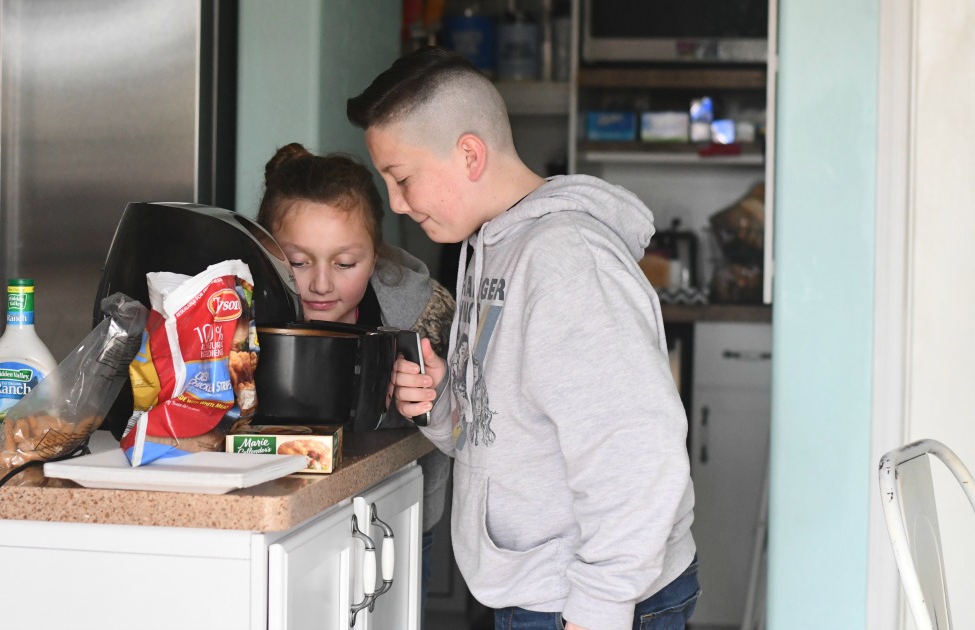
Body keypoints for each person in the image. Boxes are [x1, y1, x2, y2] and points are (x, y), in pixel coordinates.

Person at [346, 47, 699, 630]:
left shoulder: (566, 260)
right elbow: (499, 426)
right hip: (543, 591)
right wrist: (445, 401)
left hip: (591, 604)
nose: (398, 204)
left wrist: (599, 610)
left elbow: (636, 450)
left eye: (402, 178)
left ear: (469, 154)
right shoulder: (491, 247)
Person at [256, 142, 456, 610]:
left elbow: (470, 418)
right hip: (276, 531)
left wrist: (437, 390)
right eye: (298, 262)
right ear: (266, 252)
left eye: (346, 264)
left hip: (395, 527)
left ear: (376, 254)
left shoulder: (423, 312)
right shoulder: (233, 306)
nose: (321, 284)